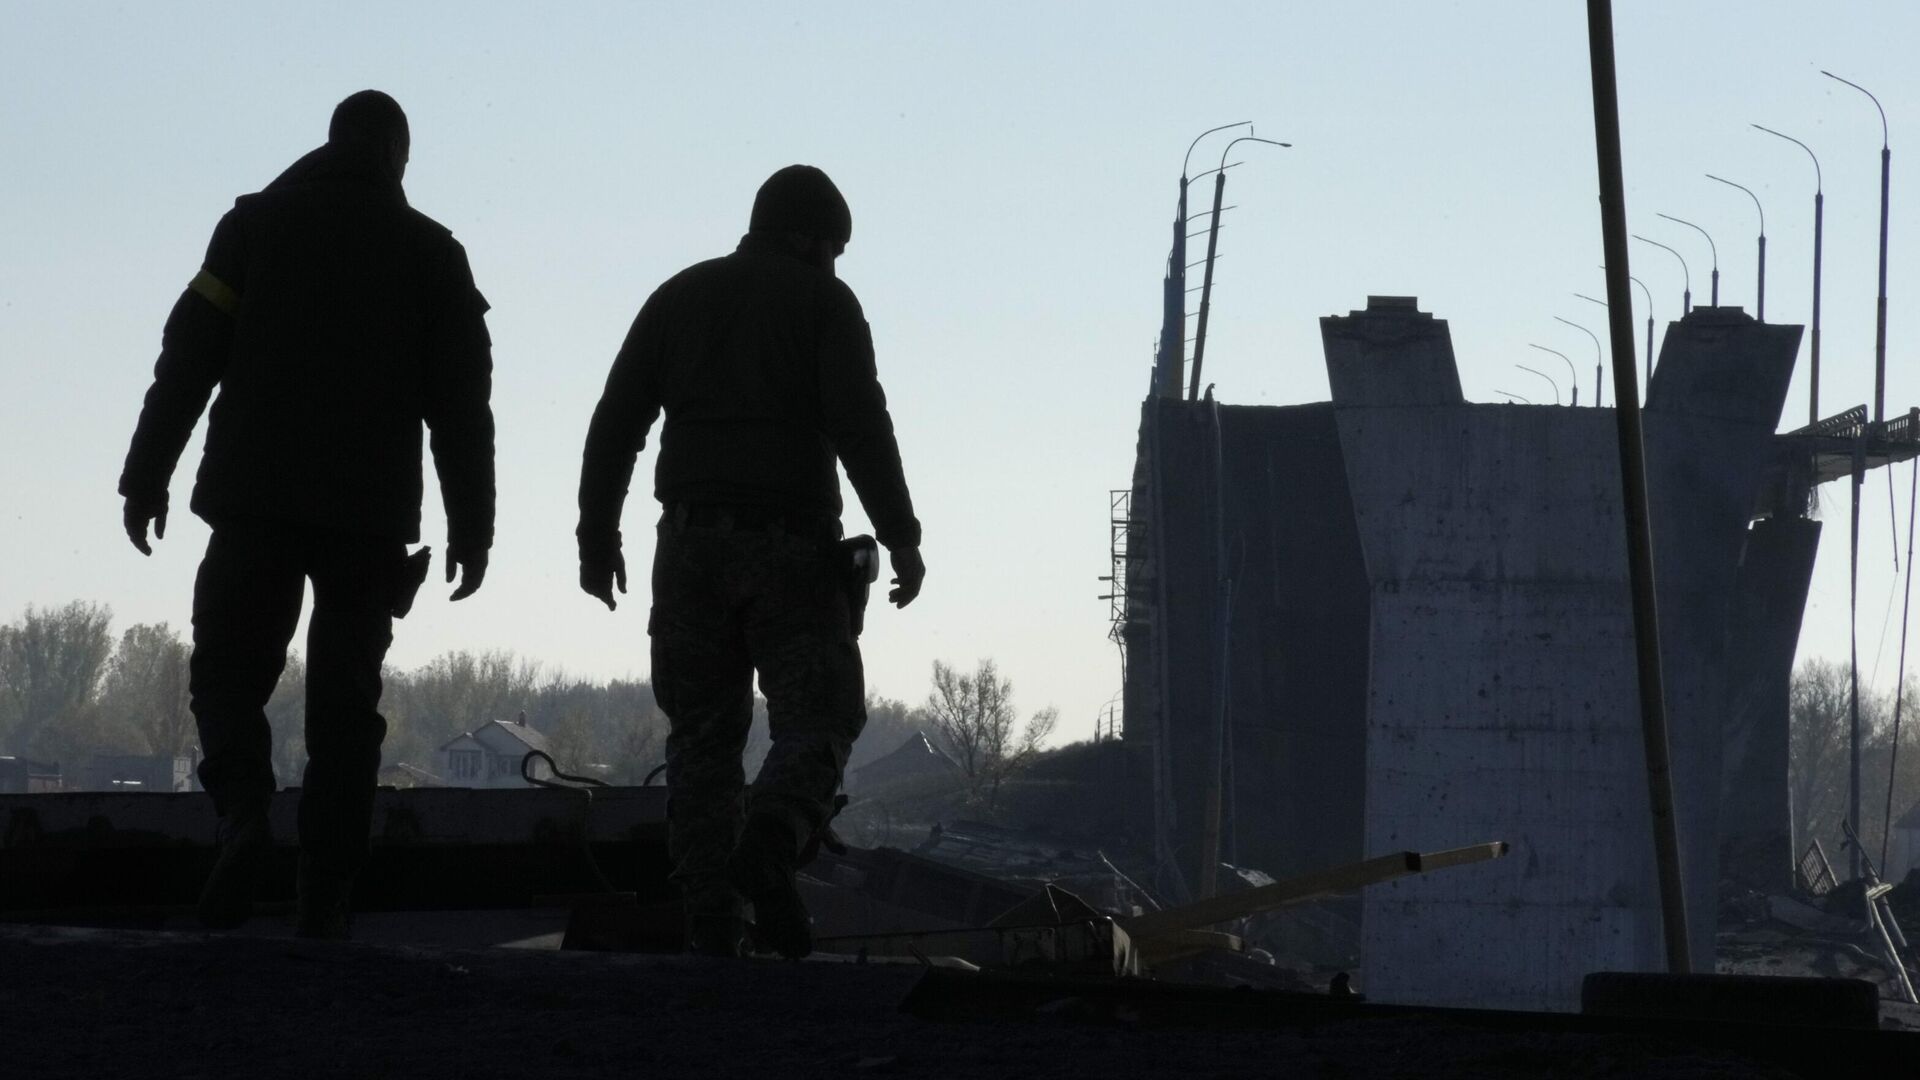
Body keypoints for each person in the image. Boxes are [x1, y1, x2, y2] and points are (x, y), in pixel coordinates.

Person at [118, 90, 495, 938]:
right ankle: (324, 891)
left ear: (330, 141)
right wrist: (474, 525)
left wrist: (146, 474)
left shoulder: (252, 226)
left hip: (253, 501)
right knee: (345, 706)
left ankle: (243, 816)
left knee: (226, 676)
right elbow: (463, 409)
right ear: (398, 156)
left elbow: (187, 359)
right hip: (369, 520)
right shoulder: (434, 254)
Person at [576, 165, 924, 958]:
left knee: (701, 741)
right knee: (820, 719)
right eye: (833, 247)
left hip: (688, 548)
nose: (835, 264)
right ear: (808, 238)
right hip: (790, 550)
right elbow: (861, 423)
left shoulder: (678, 297)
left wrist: (597, 536)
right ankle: (769, 845)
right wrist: (900, 533)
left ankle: (711, 931)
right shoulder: (823, 304)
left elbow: (615, 422)